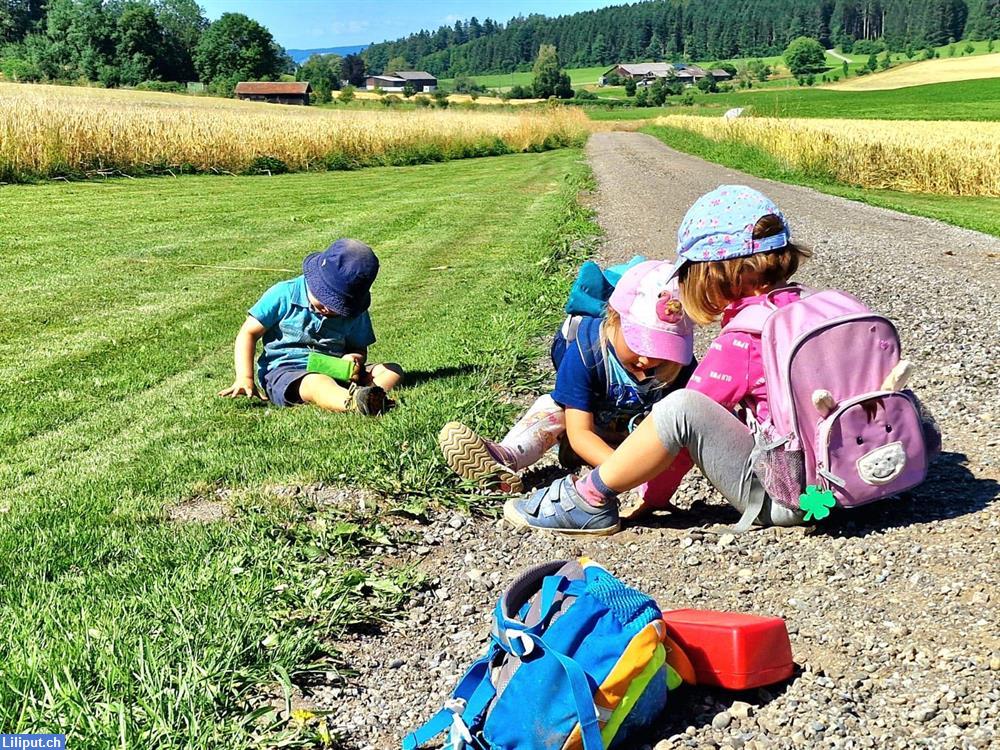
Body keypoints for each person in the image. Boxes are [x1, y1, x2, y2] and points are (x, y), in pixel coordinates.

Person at [505, 185, 812, 535]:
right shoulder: (813, 309)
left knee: (681, 407)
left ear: (713, 273)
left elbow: (683, 429)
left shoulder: (744, 339)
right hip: (846, 484)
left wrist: (651, 494)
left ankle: (588, 499)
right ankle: (510, 454)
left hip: (789, 499)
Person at [439, 260, 696, 513]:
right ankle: (506, 458)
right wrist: (623, 474)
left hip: (634, 442)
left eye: (664, 351)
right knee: (551, 410)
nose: (648, 359)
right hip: (585, 428)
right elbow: (580, 432)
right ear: (614, 319)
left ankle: (589, 462)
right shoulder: (587, 351)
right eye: (640, 344)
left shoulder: (679, 368)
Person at [218, 238, 402, 415]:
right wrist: (245, 377)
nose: (329, 308)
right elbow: (248, 333)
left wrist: (354, 359)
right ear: (314, 280)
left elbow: (358, 347)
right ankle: (353, 403)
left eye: (339, 306)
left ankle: (372, 395)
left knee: (392, 370)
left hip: (336, 368)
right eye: (325, 299)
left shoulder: (355, 312)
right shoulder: (284, 294)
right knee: (316, 382)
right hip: (288, 371)